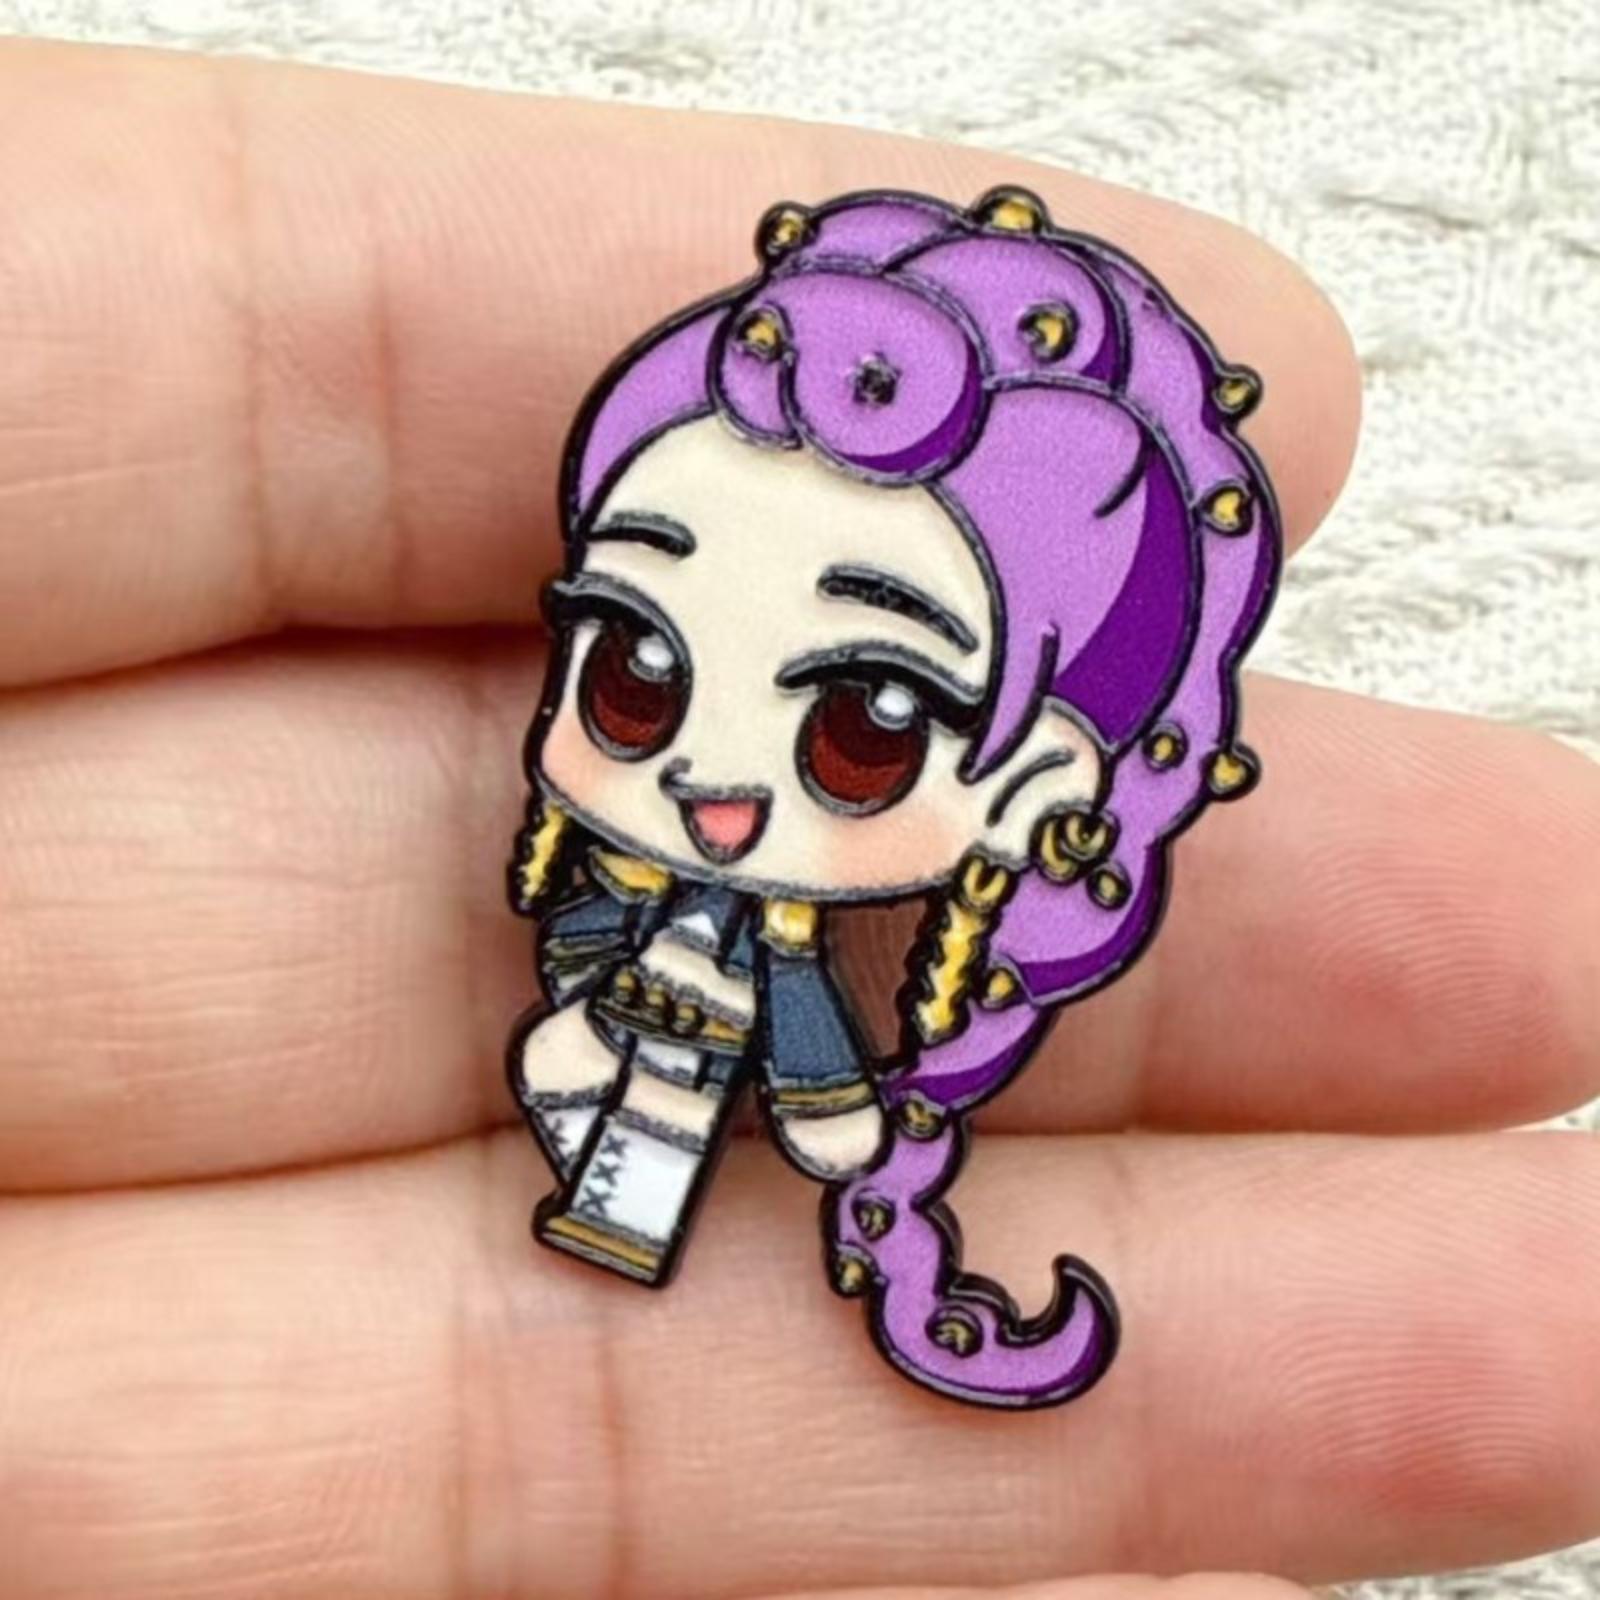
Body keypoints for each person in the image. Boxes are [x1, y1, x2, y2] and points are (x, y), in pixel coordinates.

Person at [1, 40, 1597, 1600]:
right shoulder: (613, 885)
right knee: (582, 1076)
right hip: (597, 1064)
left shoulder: (795, 935)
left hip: (707, 1072)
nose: (715, 781)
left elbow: (810, 1024)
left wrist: (833, 1118)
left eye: (864, 723)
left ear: (1037, 785)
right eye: (638, 668)